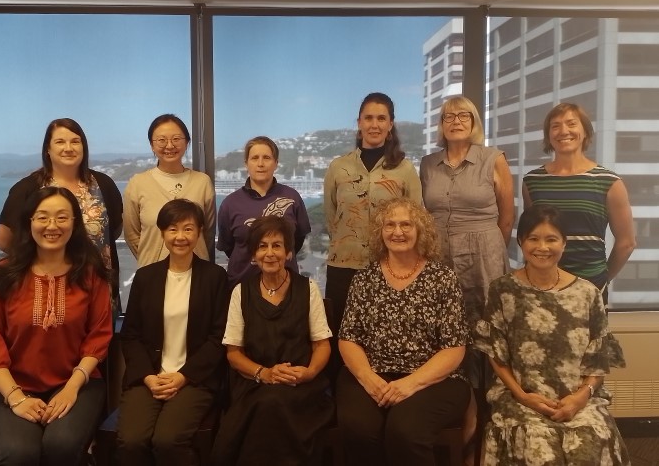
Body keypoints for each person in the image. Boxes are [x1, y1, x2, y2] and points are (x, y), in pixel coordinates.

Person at [474, 205, 630, 465]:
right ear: (521, 242)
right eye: (533, 238)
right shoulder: (502, 290)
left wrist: (580, 398)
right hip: (521, 398)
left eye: (551, 239)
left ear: (564, 244)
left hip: (577, 399)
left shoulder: (587, 293)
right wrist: (523, 396)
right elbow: (496, 355)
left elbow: (598, 361)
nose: (542, 247)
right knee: (540, 454)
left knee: (587, 451)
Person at [0, 187, 112, 465]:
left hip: (78, 384)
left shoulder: (91, 273)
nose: (52, 226)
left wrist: (71, 388)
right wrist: (16, 398)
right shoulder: (3, 276)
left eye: (62, 217)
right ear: (29, 222)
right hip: (13, 387)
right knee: (18, 453)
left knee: (62, 445)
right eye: (43, 217)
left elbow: (98, 338)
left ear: (75, 223)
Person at [337, 197, 471, 466]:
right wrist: (367, 378)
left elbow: (454, 348)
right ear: (380, 231)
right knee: (359, 429)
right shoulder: (364, 279)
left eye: (406, 224)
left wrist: (411, 383)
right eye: (390, 224)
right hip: (371, 373)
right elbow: (348, 338)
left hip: (434, 379)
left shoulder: (442, 278)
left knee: (405, 431)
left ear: (420, 230)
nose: (398, 232)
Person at [419, 96, 514, 457]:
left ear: (474, 121)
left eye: (463, 115)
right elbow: (424, 214)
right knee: (449, 330)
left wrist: (489, 251)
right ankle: (460, 410)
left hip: (485, 252)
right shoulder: (428, 164)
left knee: (487, 331)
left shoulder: (493, 159)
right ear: (441, 124)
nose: (455, 121)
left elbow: (507, 218)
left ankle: (490, 418)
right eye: (448, 116)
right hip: (440, 253)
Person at [211, 216, 333, 466]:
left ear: (288, 252)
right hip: (254, 382)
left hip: (301, 383)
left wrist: (308, 373)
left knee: (275, 404)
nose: (269, 253)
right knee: (269, 403)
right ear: (253, 254)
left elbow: (322, 344)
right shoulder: (240, 292)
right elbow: (233, 353)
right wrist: (264, 373)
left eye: (277, 245)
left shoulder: (307, 288)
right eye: (262, 246)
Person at [117, 199, 229, 466]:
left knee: (168, 440)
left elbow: (219, 338)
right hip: (150, 375)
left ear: (200, 231)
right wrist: (147, 376)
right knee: (131, 441)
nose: (181, 237)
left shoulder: (215, 278)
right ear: (163, 232)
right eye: (173, 229)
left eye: (188, 229)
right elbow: (130, 334)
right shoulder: (146, 277)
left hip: (194, 378)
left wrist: (182, 376)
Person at [323, 92, 422, 349]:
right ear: (359, 122)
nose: (374, 124)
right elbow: (332, 215)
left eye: (381, 118)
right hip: (343, 265)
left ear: (390, 124)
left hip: (389, 266)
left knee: (384, 335)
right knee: (341, 333)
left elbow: (415, 217)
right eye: (368, 118)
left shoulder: (405, 169)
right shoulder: (338, 167)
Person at [0, 118, 123, 314]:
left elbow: (113, 231)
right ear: (48, 149)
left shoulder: (104, 184)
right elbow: (5, 241)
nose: (68, 148)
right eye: (60, 142)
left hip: (99, 289)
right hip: (46, 290)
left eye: (75, 141)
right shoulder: (28, 189)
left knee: (100, 341)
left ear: (84, 146)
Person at [523, 102, 636, 303]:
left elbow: (626, 243)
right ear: (548, 135)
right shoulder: (532, 181)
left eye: (571, 123)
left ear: (585, 132)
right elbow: (530, 235)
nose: (563, 131)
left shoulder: (609, 182)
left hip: (590, 288)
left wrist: (602, 280)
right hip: (540, 288)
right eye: (555, 126)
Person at [217, 136, 311, 288]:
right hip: (242, 285)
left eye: (266, 158)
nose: (260, 164)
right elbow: (229, 247)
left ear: (276, 163)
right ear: (246, 164)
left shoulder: (292, 198)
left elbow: (296, 241)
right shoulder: (230, 204)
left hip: (285, 286)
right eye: (254, 158)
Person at [124, 114, 216, 267]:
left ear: (187, 142)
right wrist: (151, 260)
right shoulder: (137, 183)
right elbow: (132, 235)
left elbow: (208, 232)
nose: (169, 145)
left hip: (196, 273)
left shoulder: (202, 182)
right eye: (161, 140)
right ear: (152, 145)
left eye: (176, 139)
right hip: (151, 274)